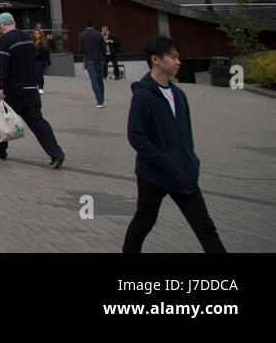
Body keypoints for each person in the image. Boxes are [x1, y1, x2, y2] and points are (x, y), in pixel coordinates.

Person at [122, 36, 226, 253]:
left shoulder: (179, 94)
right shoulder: (143, 95)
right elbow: (136, 136)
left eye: (178, 57)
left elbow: (186, 135)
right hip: (154, 174)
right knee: (144, 221)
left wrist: (190, 160)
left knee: (205, 226)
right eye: (173, 57)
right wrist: (162, 160)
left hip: (183, 171)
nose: (178, 62)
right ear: (156, 60)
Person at [0, 13, 65, 168]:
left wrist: (0, 86)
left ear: (1, 25)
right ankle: (56, 153)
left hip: (12, 89)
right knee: (38, 122)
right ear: (14, 22)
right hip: (31, 87)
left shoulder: (4, 41)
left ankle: (0, 152)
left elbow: (3, 66)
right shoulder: (28, 38)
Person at [78, 18, 107, 107]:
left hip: (89, 59)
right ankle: (101, 99)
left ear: (85, 25)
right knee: (100, 79)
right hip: (99, 59)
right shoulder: (99, 35)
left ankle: (99, 100)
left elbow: (80, 49)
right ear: (93, 25)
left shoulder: (82, 35)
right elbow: (104, 49)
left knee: (94, 80)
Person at [33, 28, 52, 93]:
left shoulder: (44, 43)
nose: (36, 35)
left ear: (40, 34)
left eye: (37, 33)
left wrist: (48, 61)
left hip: (41, 60)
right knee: (35, 74)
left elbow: (47, 53)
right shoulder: (33, 42)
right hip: (34, 60)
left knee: (39, 74)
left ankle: (41, 87)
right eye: (35, 33)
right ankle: (37, 86)